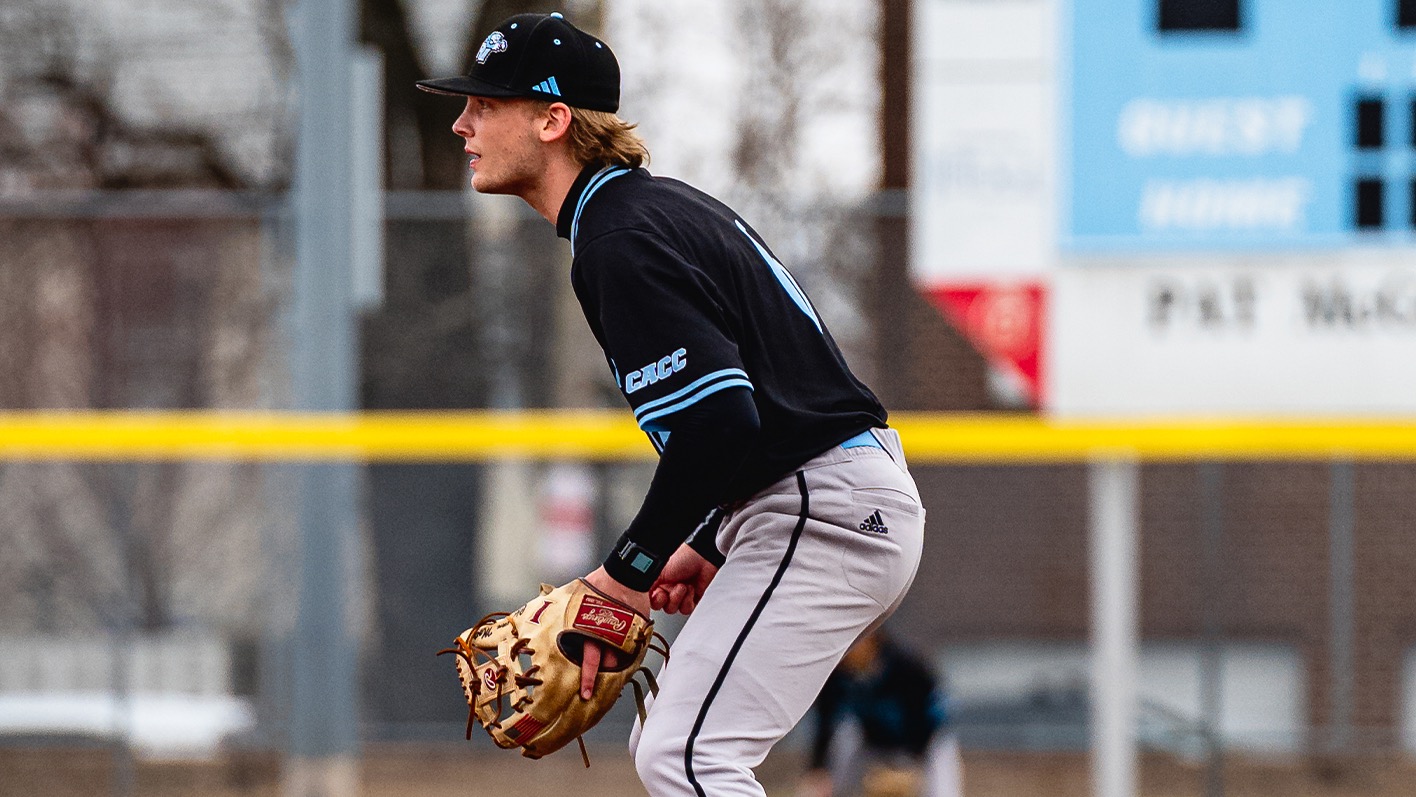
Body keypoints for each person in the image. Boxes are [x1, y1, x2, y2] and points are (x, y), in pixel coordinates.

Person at [418, 13, 925, 796]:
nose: (462, 123)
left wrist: (621, 578)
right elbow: (759, 412)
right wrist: (716, 541)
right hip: (822, 499)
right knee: (680, 746)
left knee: (686, 756)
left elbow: (722, 422)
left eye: (486, 104)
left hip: (822, 510)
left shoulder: (619, 237)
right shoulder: (648, 212)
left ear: (553, 120)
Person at [799, 630, 963, 797]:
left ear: (871, 639)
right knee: (845, 738)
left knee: (943, 784)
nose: (850, 649)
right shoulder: (836, 676)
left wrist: (908, 762)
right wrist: (818, 767)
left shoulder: (905, 666)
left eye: (856, 642)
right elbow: (825, 721)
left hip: (927, 741)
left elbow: (931, 717)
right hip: (872, 740)